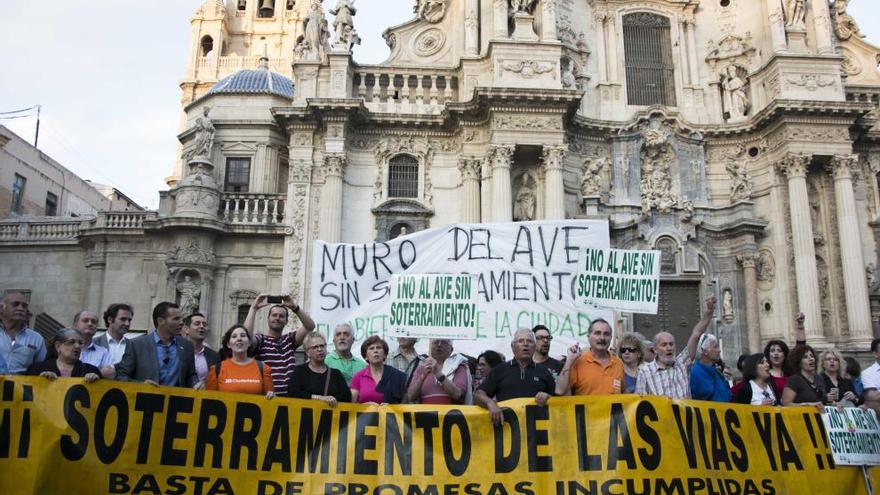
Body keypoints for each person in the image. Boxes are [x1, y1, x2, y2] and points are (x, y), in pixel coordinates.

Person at [635, 295, 716, 399]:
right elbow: (640, 401)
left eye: (671, 344)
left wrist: (709, 312)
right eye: (664, 345)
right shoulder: (645, 371)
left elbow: (696, 334)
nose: (669, 348)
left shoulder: (682, 364)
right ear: (655, 349)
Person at [476, 329, 555, 424]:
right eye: (521, 341)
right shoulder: (500, 370)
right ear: (513, 347)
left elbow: (559, 400)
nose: (525, 344)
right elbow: (478, 394)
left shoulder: (544, 371)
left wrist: (548, 397)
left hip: (536, 433)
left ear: (534, 347)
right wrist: (490, 403)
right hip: (507, 432)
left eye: (529, 341)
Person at [244, 293, 315, 397]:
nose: (277, 318)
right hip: (266, 398)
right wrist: (253, 308)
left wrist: (294, 307)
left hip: (289, 399)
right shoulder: (261, 340)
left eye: (281, 316)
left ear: (286, 321)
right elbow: (246, 339)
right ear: (268, 319)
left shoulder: (289, 340)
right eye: (274, 315)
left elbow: (310, 326)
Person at [115, 302, 200, 388]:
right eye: (176, 319)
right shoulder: (136, 345)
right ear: (160, 321)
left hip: (176, 400)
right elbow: (121, 376)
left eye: (182, 319)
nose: (181, 323)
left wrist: (195, 383)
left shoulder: (186, 345)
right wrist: (141, 385)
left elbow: (191, 375)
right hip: (145, 399)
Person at [557, 319, 624, 396]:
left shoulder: (618, 363)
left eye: (606, 334)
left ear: (611, 338)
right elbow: (559, 391)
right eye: (597, 333)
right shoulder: (578, 361)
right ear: (588, 337)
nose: (602, 338)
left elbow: (623, 393)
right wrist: (569, 360)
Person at [206, 325, 274, 398]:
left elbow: (270, 401)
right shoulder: (216, 369)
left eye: (243, 335)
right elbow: (210, 400)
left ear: (249, 343)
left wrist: (272, 395)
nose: (239, 339)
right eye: (234, 336)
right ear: (228, 344)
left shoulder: (263, 368)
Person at [288, 331, 351, 407]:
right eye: (315, 347)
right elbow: (292, 393)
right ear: (307, 352)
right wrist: (318, 398)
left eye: (322, 346)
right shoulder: (299, 371)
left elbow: (347, 397)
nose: (320, 349)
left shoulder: (336, 374)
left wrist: (332, 399)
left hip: (329, 417)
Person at [407, 338, 469, 404]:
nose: (439, 345)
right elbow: (410, 396)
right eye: (436, 342)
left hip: (450, 413)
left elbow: (457, 395)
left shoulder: (458, 366)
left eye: (444, 342)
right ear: (431, 348)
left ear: (451, 349)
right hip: (425, 413)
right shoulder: (422, 367)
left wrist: (439, 374)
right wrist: (423, 375)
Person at [27, 328, 100, 382]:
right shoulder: (38, 369)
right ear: (58, 346)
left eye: (80, 343)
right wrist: (41, 380)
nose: (77, 346)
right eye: (71, 342)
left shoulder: (91, 370)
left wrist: (96, 381)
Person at [350, 336, 407, 404]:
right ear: (366, 357)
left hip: (391, 414)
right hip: (364, 414)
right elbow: (351, 404)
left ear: (385, 355)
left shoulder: (397, 375)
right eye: (371, 348)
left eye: (379, 348)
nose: (375, 351)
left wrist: (391, 407)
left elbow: (405, 404)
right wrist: (364, 406)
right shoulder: (358, 377)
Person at [0, 291, 46, 375]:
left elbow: (41, 368)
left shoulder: (36, 338)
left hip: (21, 387)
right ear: (1, 308)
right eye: (15, 304)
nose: (21, 308)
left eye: (24, 306)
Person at [690, 334, 732, 402]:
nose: (719, 350)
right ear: (705, 351)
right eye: (715, 347)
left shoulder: (717, 372)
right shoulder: (694, 373)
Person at [781, 343, 825, 408]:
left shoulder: (819, 378)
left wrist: (834, 404)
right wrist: (807, 405)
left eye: (812, 356)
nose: (811, 359)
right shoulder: (794, 380)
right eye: (805, 357)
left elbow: (823, 401)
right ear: (799, 363)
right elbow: (786, 404)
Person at [73, 310, 114, 378]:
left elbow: (110, 374)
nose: (90, 324)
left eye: (93, 322)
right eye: (85, 320)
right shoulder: (64, 348)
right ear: (75, 325)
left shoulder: (103, 352)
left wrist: (97, 375)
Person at [183, 313, 221, 386]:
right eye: (197, 324)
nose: (202, 326)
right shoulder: (177, 351)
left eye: (204, 324)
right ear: (187, 329)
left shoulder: (214, 356)